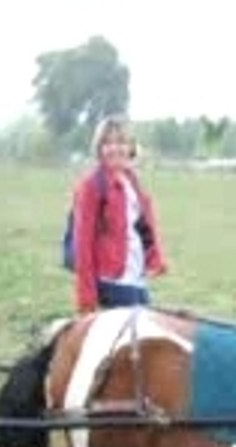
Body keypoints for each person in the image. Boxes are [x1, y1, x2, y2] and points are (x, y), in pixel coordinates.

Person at [70, 115, 167, 314]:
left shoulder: (132, 182)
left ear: (131, 147)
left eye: (121, 142)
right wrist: (86, 297)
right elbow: (83, 245)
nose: (114, 148)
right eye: (107, 143)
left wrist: (154, 258)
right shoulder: (92, 186)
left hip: (137, 281)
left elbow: (142, 227)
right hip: (112, 284)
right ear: (99, 148)